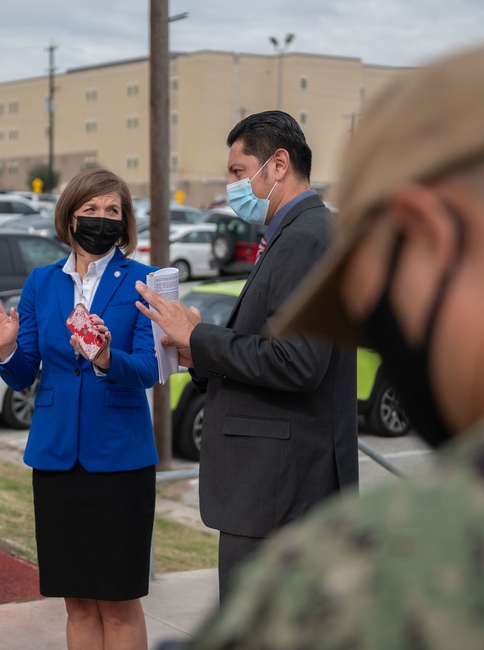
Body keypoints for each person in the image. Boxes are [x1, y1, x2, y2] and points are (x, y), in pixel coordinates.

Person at [183, 44, 484, 649]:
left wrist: (199, 339)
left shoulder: (392, 575)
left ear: (432, 239)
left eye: (380, 288)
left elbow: (295, 362)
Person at [135, 110, 359, 599]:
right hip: (279, 489)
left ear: (277, 164)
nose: (232, 185)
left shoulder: (306, 238)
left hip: (279, 493)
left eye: (238, 172)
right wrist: (199, 349)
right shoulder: (299, 232)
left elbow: (298, 361)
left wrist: (199, 338)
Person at [0, 168, 158, 649]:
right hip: (56, 459)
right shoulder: (41, 282)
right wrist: (7, 347)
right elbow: (24, 373)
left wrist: (107, 357)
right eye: (90, 209)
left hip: (120, 458)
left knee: (118, 600)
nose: (101, 218)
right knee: (75, 600)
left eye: (112, 210)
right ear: (69, 217)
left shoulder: (144, 282)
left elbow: (150, 371)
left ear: (126, 220)